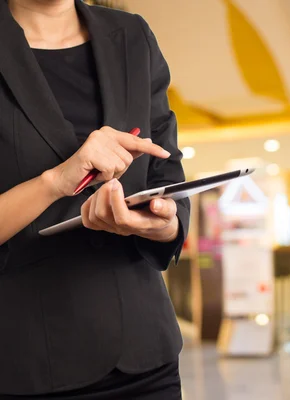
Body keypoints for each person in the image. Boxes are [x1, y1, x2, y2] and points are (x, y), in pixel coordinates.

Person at [0, 0, 190, 398]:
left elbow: (166, 170)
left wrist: (163, 222)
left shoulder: (132, 35)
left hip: (145, 355)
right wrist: (55, 181)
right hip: (29, 364)